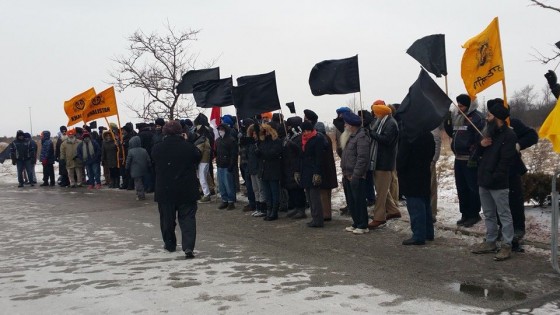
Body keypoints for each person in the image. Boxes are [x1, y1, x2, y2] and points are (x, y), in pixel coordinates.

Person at [471, 100, 517, 261]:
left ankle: (506, 245)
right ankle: (490, 241)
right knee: (489, 214)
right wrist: (481, 144)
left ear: (497, 117)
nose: (486, 117)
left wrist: (494, 177)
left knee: (504, 214)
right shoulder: (487, 133)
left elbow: (505, 162)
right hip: (483, 180)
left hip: (498, 183)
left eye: (489, 115)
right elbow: (475, 155)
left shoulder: (509, 135)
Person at [152, 120, 201, 259]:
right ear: (181, 132)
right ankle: (189, 247)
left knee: (167, 219)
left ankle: (169, 243)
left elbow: (154, 160)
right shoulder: (188, 147)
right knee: (188, 220)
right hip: (186, 189)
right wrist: (187, 142)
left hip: (165, 189)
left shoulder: (157, 148)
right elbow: (197, 157)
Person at [444, 94, 485, 227]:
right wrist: (447, 120)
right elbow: (453, 133)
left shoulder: (477, 118)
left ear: (468, 105)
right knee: (461, 188)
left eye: (461, 105)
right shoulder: (458, 116)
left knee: (472, 188)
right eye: (458, 105)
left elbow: (479, 138)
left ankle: (474, 214)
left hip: (470, 159)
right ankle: (465, 213)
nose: (459, 108)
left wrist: (473, 156)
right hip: (458, 158)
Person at [397, 130, 435, 245]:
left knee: (415, 206)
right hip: (424, 172)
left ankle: (418, 235)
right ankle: (428, 233)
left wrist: (399, 168)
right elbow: (432, 153)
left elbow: (402, 158)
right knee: (425, 204)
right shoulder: (428, 134)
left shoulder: (409, 135)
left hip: (410, 176)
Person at [368, 102, 401, 229]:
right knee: (382, 190)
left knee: (381, 193)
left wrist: (372, 134)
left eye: (376, 113)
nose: (375, 116)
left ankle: (379, 217)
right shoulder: (383, 122)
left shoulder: (391, 124)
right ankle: (393, 211)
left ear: (380, 113)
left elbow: (387, 140)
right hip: (378, 160)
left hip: (384, 162)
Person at [340, 112, 372, 234]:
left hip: (356, 175)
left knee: (359, 201)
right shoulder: (351, 136)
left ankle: (363, 225)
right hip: (347, 174)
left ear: (352, 125)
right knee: (351, 201)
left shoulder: (361, 137)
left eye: (346, 124)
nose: (344, 126)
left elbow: (362, 159)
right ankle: (356, 222)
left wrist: (356, 175)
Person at [297, 120, 325, 228]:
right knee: (309, 196)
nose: (305, 133)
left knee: (315, 198)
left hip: (313, 171)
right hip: (305, 171)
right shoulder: (303, 140)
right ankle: (314, 218)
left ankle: (318, 219)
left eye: (307, 130)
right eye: (304, 131)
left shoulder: (317, 139)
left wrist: (317, 173)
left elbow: (319, 157)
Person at [256, 123, 283, 221]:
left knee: (274, 192)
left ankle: (274, 212)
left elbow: (273, 153)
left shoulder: (276, 141)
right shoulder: (262, 141)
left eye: (267, 130)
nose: (265, 132)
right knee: (267, 193)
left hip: (273, 170)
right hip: (264, 170)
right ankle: (269, 209)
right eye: (264, 131)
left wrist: (261, 153)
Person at [315, 122, 338, 221]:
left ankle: (326, 214)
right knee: (327, 192)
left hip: (324, 169)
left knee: (323, 192)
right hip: (329, 168)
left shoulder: (321, 139)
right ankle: (327, 212)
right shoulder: (327, 137)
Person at [215, 123, 238, 210]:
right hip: (220, 165)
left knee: (229, 184)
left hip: (227, 165)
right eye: (219, 129)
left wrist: (231, 165)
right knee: (221, 185)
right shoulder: (218, 140)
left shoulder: (231, 140)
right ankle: (224, 200)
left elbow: (234, 154)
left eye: (222, 129)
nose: (220, 131)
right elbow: (216, 152)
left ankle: (231, 201)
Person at [126, 135, 152, 201]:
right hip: (144, 168)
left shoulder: (130, 151)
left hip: (135, 169)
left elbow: (128, 161)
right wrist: (149, 165)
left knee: (138, 182)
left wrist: (127, 167)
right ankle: (143, 192)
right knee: (143, 181)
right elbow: (148, 159)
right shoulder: (144, 150)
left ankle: (140, 195)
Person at [194, 127, 212, 203]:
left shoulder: (201, 141)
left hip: (202, 161)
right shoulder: (206, 139)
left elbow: (197, 153)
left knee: (202, 178)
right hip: (205, 160)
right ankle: (208, 191)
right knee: (204, 177)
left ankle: (206, 194)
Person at [430, 127, 442, 222]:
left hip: (430, 162)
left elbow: (437, 144)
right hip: (419, 162)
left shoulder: (434, 127)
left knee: (431, 188)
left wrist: (434, 160)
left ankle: (432, 213)